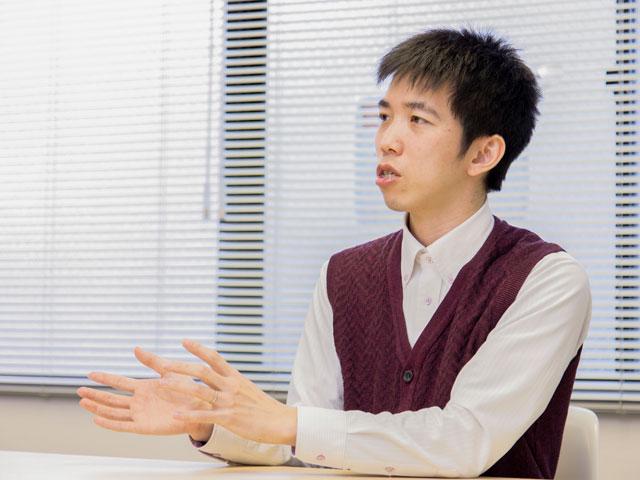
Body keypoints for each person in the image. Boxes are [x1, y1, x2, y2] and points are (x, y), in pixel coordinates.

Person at [77, 28, 592, 479]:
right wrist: (212, 420)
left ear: (483, 153)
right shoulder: (344, 274)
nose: (386, 140)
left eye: (417, 120)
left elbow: (464, 439)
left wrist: (291, 424)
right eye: (385, 116)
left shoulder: (545, 279)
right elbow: (305, 436)